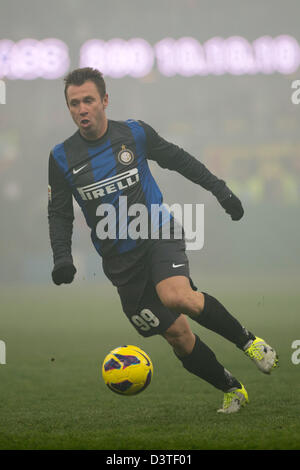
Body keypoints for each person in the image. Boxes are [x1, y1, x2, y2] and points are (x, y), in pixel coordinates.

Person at [48, 67, 278, 414]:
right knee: (178, 336)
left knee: (177, 295)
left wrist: (221, 190)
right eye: (74, 103)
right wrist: (62, 258)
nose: (82, 109)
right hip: (120, 264)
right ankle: (232, 388)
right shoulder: (61, 157)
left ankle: (251, 343)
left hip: (156, 232)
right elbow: (60, 213)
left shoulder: (134, 134)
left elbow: (180, 160)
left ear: (105, 101)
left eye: (89, 101)